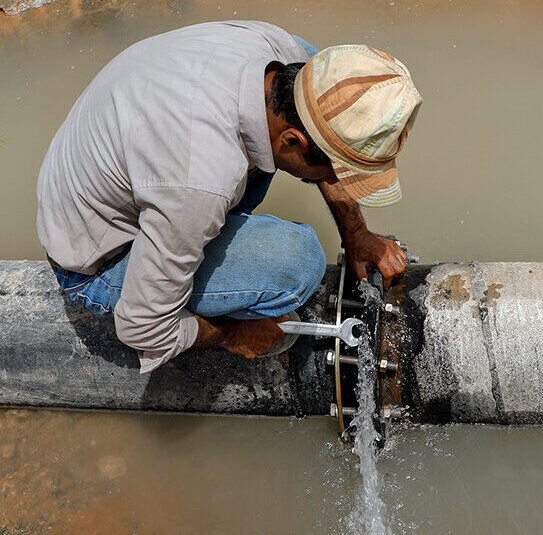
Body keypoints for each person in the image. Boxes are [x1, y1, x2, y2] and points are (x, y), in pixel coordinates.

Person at [36, 21, 421, 373]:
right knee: (298, 263)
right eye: (338, 173)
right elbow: (141, 328)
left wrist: (356, 234)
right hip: (98, 259)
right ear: (293, 140)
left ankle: (180, 242)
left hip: (123, 169)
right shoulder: (198, 179)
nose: (341, 183)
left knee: (223, 201)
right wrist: (233, 335)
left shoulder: (286, 56)